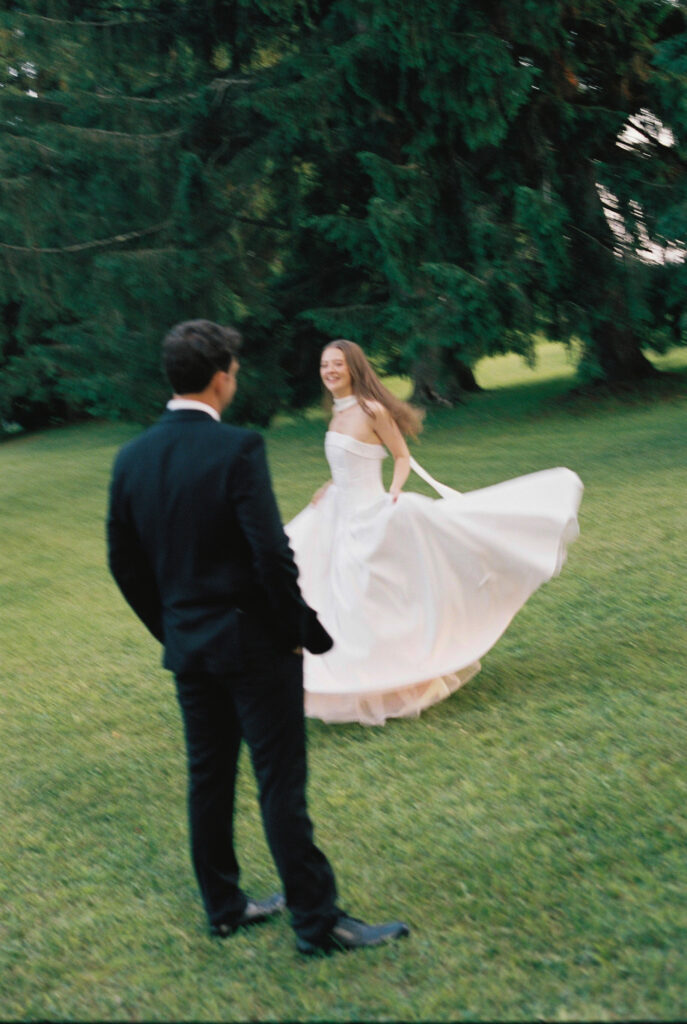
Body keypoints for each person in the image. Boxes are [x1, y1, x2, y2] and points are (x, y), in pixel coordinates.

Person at [106, 320, 409, 955]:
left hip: (191, 648)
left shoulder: (130, 458)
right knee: (279, 785)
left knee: (208, 779)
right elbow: (271, 556)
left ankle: (223, 907)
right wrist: (300, 632)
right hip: (254, 648)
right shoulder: (237, 449)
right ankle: (317, 924)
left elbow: (124, 565)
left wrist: (173, 628)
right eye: (235, 371)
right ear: (221, 379)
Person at [286, 339, 584, 726]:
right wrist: (330, 485)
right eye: (325, 365)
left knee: (371, 597)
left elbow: (401, 455)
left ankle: (400, 675)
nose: (329, 371)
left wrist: (394, 489)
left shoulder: (371, 410)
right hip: (337, 516)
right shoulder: (336, 415)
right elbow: (350, 461)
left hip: (371, 515)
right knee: (331, 592)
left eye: (337, 364)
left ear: (354, 368)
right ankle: (357, 678)